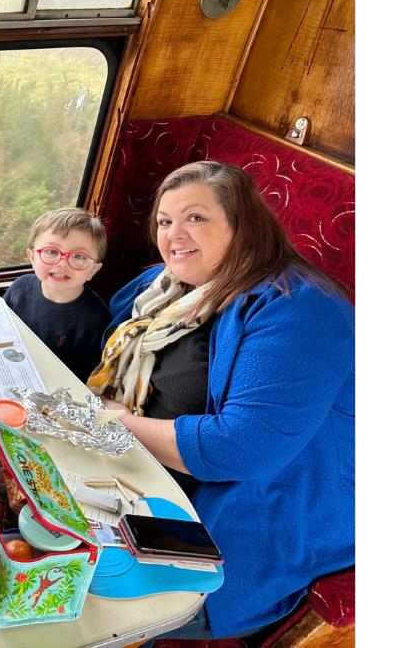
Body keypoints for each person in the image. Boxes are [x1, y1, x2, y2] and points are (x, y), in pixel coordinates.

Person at [85, 161, 354, 641]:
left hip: (250, 524)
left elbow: (239, 449)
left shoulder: (300, 309)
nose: (174, 234)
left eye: (195, 217)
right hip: (148, 475)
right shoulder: (162, 288)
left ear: (242, 224)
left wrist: (117, 423)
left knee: (80, 595)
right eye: (165, 221)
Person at [4, 207, 111, 379]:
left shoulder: (97, 319)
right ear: (32, 257)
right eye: (52, 252)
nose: (62, 263)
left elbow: (88, 376)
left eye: (79, 257)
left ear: (93, 270)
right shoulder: (20, 288)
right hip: (12, 369)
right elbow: (1, 330)